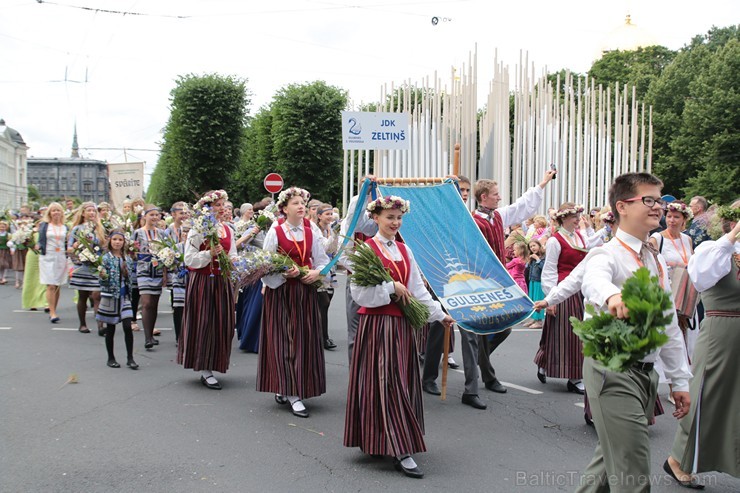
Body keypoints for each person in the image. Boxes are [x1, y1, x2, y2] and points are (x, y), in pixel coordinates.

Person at [574, 172, 691, 492]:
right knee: (634, 476)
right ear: (623, 207)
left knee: (604, 469)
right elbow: (593, 281)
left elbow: (667, 322)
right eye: (649, 200)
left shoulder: (656, 260)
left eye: (660, 201)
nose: (659, 208)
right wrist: (612, 295)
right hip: (611, 370)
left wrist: (679, 380)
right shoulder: (605, 253)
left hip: (644, 374)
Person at [344, 195, 454, 479]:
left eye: (398, 218)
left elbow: (417, 289)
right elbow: (360, 295)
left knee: (400, 383)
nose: (395, 222)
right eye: (390, 217)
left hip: (402, 328)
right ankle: (398, 447)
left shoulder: (405, 250)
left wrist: (440, 315)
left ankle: (389, 440)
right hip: (377, 327)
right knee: (383, 384)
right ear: (376, 219)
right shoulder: (365, 250)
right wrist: (390, 288)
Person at [664, 201, 740, 488]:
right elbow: (700, 277)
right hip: (721, 331)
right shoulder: (713, 250)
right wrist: (732, 238)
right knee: (706, 394)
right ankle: (677, 459)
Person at [472, 168, 556, 394]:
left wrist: (543, 183)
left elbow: (521, 205)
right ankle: (488, 376)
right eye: (496, 194)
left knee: (504, 328)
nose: (499, 197)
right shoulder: (473, 221)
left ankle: (480, 359)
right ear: (484, 197)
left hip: (498, 284)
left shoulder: (498, 216)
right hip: (480, 284)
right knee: (481, 331)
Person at [258, 187, 328, 417]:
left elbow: (322, 260)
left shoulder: (311, 229)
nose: (301, 206)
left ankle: (292, 386)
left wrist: (317, 273)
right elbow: (265, 267)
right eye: (296, 203)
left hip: (305, 293)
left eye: (303, 203)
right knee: (285, 340)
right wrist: (282, 275)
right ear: (284, 208)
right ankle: (291, 392)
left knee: (304, 340)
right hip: (283, 294)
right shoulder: (276, 231)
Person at [535, 202, 599, 393]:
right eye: (574, 217)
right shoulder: (555, 240)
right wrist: (551, 297)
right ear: (563, 218)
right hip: (563, 290)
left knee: (569, 334)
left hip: (580, 289)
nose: (578, 219)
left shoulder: (579, 236)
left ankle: (547, 364)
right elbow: (549, 270)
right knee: (567, 335)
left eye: (578, 216)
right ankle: (574, 376)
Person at [178, 190, 237, 390]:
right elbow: (189, 259)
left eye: (223, 204)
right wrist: (209, 253)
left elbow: (233, 254)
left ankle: (216, 361)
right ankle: (204, 368)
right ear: (208, 208)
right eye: (217, 205)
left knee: (223, 323)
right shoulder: (198, 229)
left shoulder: (228, 229)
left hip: (222, 281)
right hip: (204, 281)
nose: (222, 208)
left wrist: (236, 263)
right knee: (205, 322)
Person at [97, 230, 138, 370]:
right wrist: (103, 276)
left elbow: (130, 277)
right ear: (110, 241)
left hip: (124, 295)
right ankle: (111, 357)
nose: (117, 242)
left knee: (127, 326)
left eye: (120, 240)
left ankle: (130, 358)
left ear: (124, 242)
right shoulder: (106, 258)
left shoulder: (127, 258)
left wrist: (127, 272)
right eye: (114, 239)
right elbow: (102, 279)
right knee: (111, 328)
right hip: (110, 296)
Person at [235, 199, 269, 353]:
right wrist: (252, 233)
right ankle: (251, 339)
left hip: (268, 268)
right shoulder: (256, 227)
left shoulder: (274, 227)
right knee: (255, 307)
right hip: (256, 270)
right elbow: (237, 244)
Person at [67, 202, 105, 334]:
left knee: (97, 294)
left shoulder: (100, 228)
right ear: (83, 213)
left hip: (96, 265)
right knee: (82, 296)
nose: (92, 213)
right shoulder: (77, 229)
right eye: (89, 210)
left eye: (94, 211)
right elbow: (70, 248)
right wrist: (77, 246)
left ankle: (101, 325)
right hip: (82, 265)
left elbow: (104, 246)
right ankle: (82, 324)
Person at [133, 206, 166, 349]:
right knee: (146, 302)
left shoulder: (162, 234)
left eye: (157, 215)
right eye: (151, 215)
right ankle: (147, 337)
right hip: (143, 270)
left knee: (153, 303)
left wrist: (165, 272)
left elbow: (167, 251)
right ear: (144, 216)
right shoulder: (138, 233)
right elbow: (131, 250)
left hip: (157, 270)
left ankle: (151, 335)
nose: (154, 217)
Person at [36, 203, 68, 322]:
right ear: (49, 213)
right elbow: (40, 240)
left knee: (57, 285)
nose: (56, 213)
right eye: (53, 211)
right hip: (47, 256)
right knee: (50, 284)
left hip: (61, 256)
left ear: (61, 213)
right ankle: (52, 312)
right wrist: (37, 245)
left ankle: (53, 308)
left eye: (58, 210)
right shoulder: (45, 225)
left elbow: (67, 241)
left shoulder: (65, 227)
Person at [316, 203, 339, 350]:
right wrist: (335, 234)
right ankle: (324, 337)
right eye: (327, 214)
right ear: (319, 216)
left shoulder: (328, 229)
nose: (330, 217)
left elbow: (333, 249)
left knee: (326, 302)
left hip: (331, 268)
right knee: (323, 303)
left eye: (331, 214)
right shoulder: (316, 231)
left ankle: (319, 334)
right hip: (319, 270)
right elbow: (326, 248)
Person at [22, 219, 48, 311]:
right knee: (31, 278)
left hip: (43, 255)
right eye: (39, 223)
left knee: (44, 279)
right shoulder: (30, 232)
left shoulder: (47, 231)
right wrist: (27, 243)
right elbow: (23, 242)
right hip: (32, 256)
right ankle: (32, 302)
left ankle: (46, 302)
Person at [523, 239, 545, 328]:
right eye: (531, 247)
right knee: (532, 300)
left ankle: (539, 321)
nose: (532, 248)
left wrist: (537, 259)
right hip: (532, 280)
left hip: (539, 281)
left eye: (534, 245)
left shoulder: (543, 256)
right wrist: (529, 261)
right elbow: (527, 268)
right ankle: (534, 318)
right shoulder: (532, 257)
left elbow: (544, 267)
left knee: (538, 300)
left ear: (539, 246)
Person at [0, 220, 11, 285]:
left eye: (3, 227)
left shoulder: (8, 234)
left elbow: (10, 243)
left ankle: (4, 277)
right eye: (1, 227)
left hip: (5, 250)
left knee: (5, 264)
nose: (2, 228)